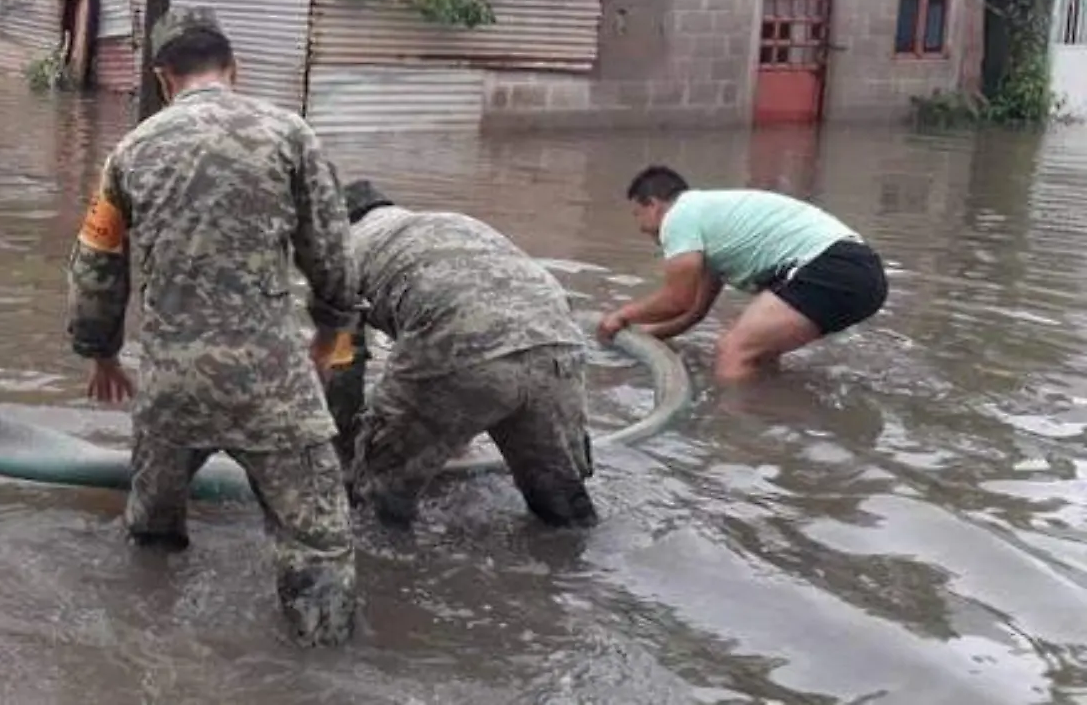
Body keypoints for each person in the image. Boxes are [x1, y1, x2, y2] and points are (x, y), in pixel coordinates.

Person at [64, 6, 361, 648]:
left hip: (172, 386)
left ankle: (139, 658)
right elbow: (332, 252)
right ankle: (324, 674)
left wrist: (102, 353)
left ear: (162, 78)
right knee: (317, 547)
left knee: (150, 537)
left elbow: (96, 262)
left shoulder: (129, 152)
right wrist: (329, 330)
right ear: (233, 67)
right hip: (272, 383)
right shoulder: (291, 134)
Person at [330, 181, 598, 531]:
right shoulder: (442, 224)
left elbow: (343, 366)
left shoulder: (341, 254)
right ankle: (575, 577)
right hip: (559, 343)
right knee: (563, 504)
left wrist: (347, 454)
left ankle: (389, 580)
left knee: (375, 498)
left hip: (465, 347)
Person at [597, 166, 888, 383]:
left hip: (832, 265)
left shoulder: (679, 216)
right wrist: (640, 339)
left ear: (654, 204)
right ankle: (774, 417)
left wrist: (621, 317)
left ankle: (740, 437)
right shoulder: (713, 231)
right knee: (757, 353)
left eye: (637, 215)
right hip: (864, 275)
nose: (640, 227)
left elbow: (676, 300)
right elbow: (692, 312)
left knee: (734, 351)